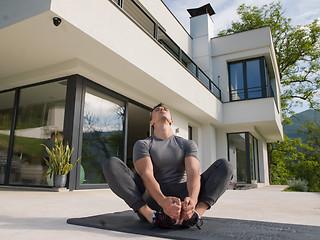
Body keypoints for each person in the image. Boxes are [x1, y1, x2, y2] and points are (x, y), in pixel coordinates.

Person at [103, 103, 233, 229]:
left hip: (183, 201)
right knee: (112, 164)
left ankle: (195, 215)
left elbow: (193, 172)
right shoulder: (143, 144)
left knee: (224, 165)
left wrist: (192, 202)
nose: (161, 109)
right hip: (153, 201)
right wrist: (163, 201)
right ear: (152, 122)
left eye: (164, 109)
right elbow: (146, 175)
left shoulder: (187, 144)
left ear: (171, 121)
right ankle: (151, 216)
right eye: (157, 110)